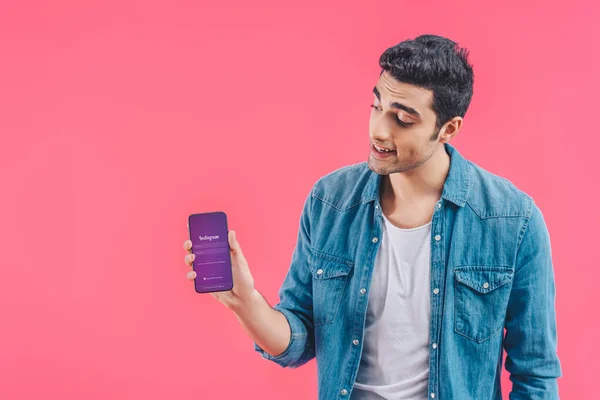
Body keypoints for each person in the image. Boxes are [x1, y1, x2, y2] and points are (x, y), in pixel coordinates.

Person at [183, 34, 562, 399]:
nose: (380, 130)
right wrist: (245, 301)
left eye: (403, 119)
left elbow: (535, 373)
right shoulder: (329, 202)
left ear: (448, 129)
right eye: (377, 106)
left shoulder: (514, 222)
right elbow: (299, 341)